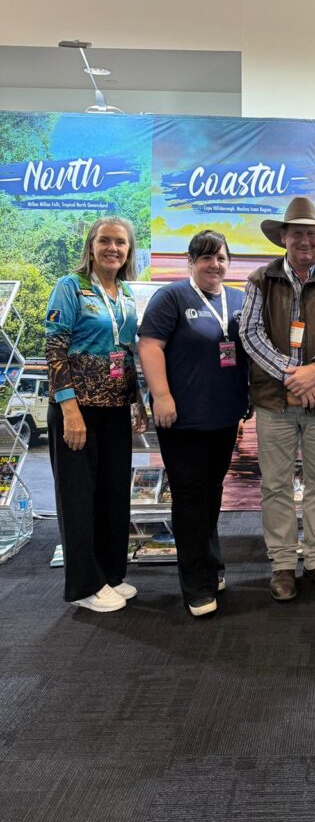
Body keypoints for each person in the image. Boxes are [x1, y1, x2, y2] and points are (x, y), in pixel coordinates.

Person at [240, 197, 315, 601]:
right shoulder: (259, 280)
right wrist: (295, 376)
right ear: (284, 238)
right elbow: (250, 335)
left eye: (312, 233)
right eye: (298, 233)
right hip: (274, 402)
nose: (305, 240)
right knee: (274, 485)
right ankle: (282, 564)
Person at [138, 230, 249, 617]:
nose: (214, 265)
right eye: (206, 258)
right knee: (188, 497)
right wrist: (162, 396)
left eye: (221, 258)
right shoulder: (171, 297)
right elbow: (149, 345)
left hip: (223, 416)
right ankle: (195, 585)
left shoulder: (238, 299)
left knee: (212, 493)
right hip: (182, 418)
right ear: (191, 261)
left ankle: (212, 563)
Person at [45, 217, 147, 612]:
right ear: (91, 245)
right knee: (78, 497)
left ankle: (109, 575)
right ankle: (84, 586)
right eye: (105, 241)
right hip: (79, 409)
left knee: (112, 495)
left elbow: (126, 353)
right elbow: (55, 349)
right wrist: (68, 408)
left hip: (115, 409)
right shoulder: (70, 287)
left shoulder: (124, 293)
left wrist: (136, 401)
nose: (113, 248)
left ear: (128, 250)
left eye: (120, 243)